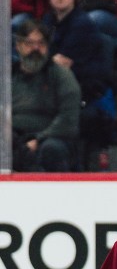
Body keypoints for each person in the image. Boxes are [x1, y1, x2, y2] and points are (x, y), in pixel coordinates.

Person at [43, 0, 115, 170]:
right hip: (57, 91)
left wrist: (47, 61)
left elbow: (60, 63)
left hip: (85, 91)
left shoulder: (82, 24)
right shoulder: (48, 21)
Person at [11, 19, 80, 173]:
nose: (36, 48)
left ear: (48, 47)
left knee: (52, 149)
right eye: (29, 43)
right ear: (18, 46)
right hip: (14, 138)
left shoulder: (61, 75)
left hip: (51, 137)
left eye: (41, 43)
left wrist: (39, 139)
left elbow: (68, 120)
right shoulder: (7, 76)